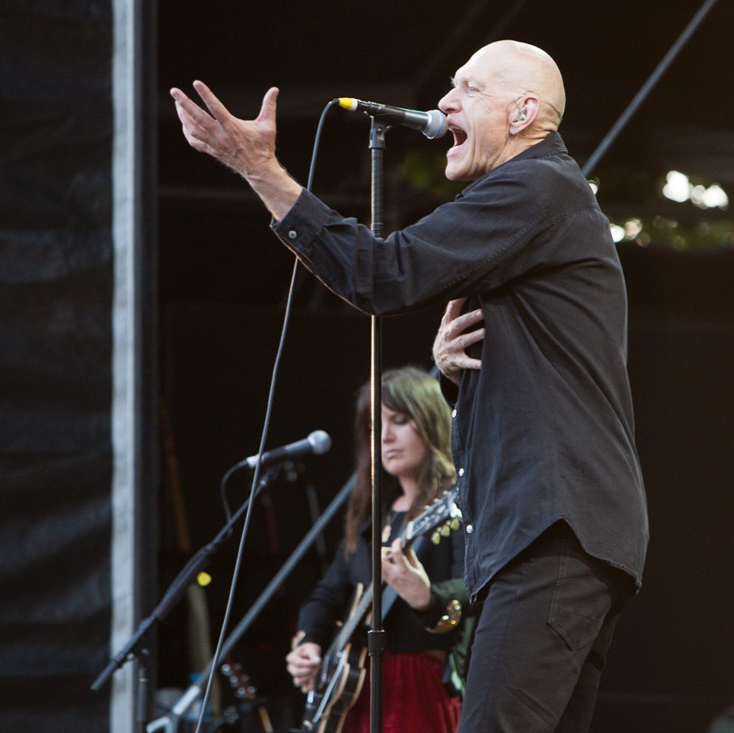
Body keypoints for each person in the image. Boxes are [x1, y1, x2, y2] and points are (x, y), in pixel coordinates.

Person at [171, 38, 649, 733]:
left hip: (552, 528)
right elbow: (552, 370)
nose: (445, 102)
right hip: (566, 531)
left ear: (523, 114)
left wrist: (261, 170)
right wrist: (454, 374)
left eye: (470, 89)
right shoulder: (542, 206)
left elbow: (384, 274)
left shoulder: (536, 185)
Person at [285, 366, 470, 733]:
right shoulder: (373, 517)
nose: (384, 436)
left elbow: (474, 588)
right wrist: (310, 643)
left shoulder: (455, 505)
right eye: (374, 426)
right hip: (355, 688)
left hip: (417, 684)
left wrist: (427, 599)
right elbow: (327, 593)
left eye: (399, 421)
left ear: (431, 422)